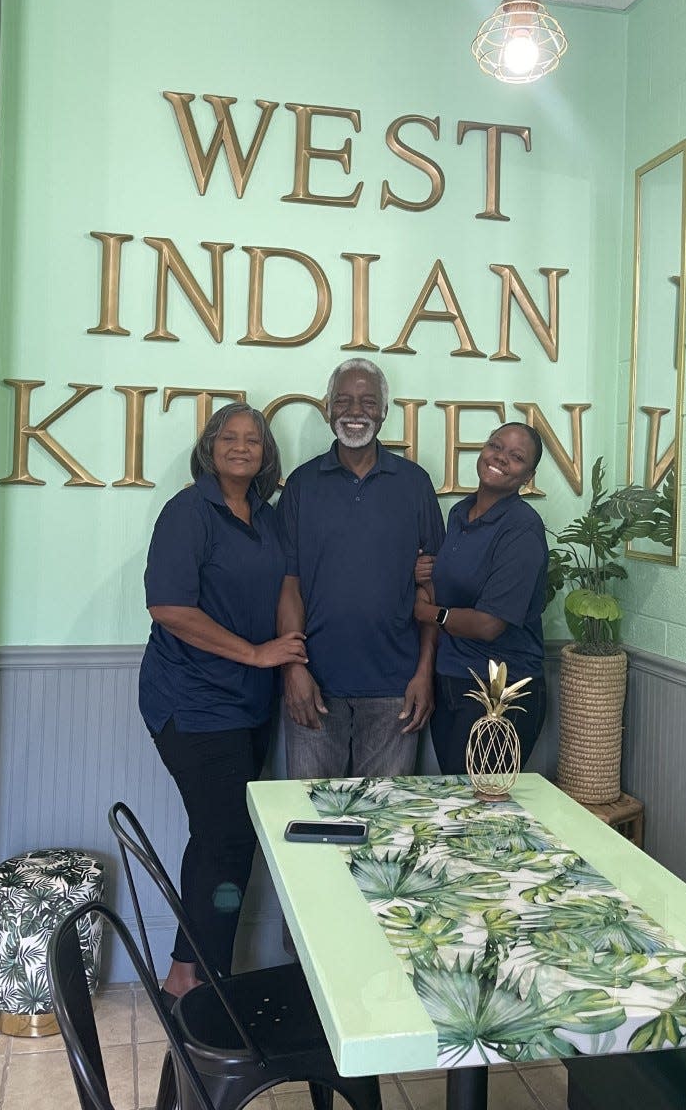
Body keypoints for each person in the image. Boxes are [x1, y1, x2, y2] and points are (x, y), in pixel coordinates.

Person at [139, 403, 307, 1003]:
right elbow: (170, 608)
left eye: (254, 439)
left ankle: (187, 970)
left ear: (266, 453)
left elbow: (288, 584)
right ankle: (205, 984)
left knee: (217, 836)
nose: (242, 447)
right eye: (229, 437)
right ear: (210, 448)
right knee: (228, 838)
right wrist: (258, 654)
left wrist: (286, 659)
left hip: (248, 707)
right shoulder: (188, 512)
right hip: (191, 703)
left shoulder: (265, 516)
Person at [276, 359, 445, 778]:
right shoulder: (301, 485)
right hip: (315, 686)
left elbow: (432, 589)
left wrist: (425, 673)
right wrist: (294, 669)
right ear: (329, 409)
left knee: (386, 829)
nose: (356, 410)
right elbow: (288, 586)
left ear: (384, 411)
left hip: (396, 690)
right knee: (312, 826)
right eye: (344, 400)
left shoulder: (414, 484)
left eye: (368, 401)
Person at [414, 422, 548, 774]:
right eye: (495, 446)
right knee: (457, 796)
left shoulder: (522, 528)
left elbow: (489, 624)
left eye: (516, 457)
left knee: (485, 808)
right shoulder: (460, 513)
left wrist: (429, 613)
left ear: (528, 476)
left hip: (500, 692)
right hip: (453, 680)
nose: (500, 458)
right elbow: (449, 582)